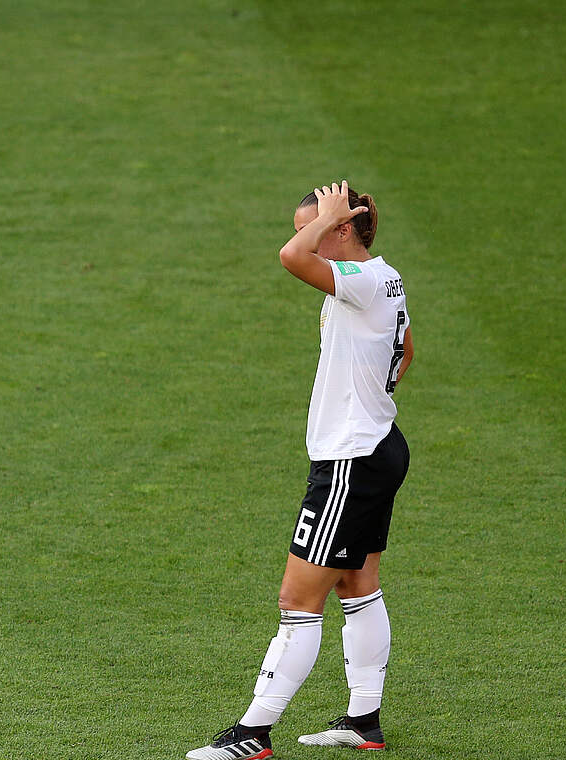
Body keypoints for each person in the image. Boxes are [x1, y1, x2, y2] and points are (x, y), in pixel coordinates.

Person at [187, 182, 414, 759]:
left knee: (297, 601)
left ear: (342, 229)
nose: (299, 237)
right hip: (379, 445)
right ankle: (364, 721)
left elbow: (292, 258)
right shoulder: (385, 278)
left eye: (311, 226)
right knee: (358, 584)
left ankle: (251, 734)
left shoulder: (360, 280)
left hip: (350, 460)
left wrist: (328, 220)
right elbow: (406, 349)